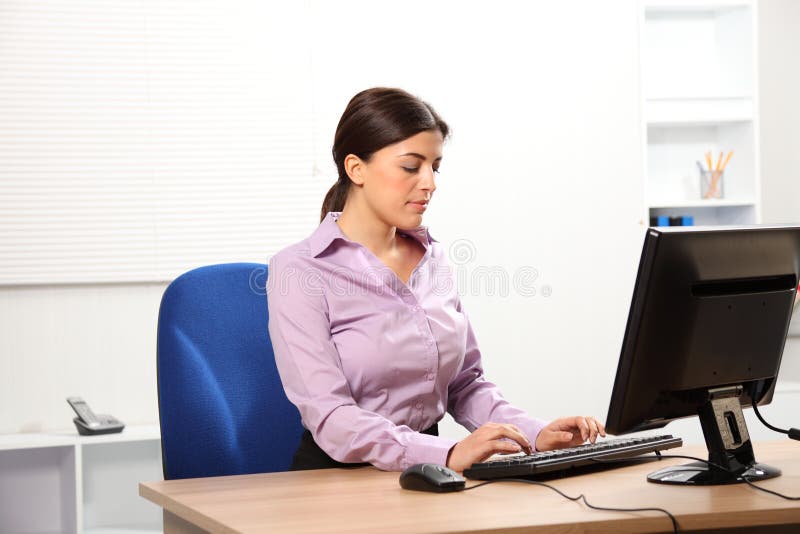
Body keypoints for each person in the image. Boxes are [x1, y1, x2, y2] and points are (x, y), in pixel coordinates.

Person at [267, 87, 605, 472]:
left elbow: (465, 385)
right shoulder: (299, 270)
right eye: (411, 166)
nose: (429, 182)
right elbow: (331, 416)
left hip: (430, 473)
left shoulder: (434, 259)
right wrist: (445, 454)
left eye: (435, 166)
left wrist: (537, 434)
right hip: (339, 480)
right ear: (355, 168)